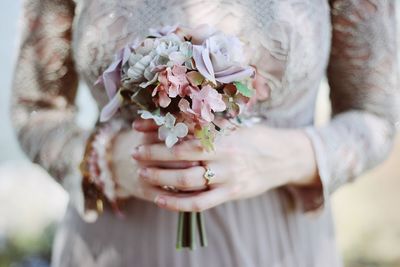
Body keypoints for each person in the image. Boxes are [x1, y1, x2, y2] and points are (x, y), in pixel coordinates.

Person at [11, 0, 399, 266]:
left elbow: (377, 118)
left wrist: (286, 157)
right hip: (113, 248)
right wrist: (106, 160)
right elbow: (33, 110)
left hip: (278, 246)